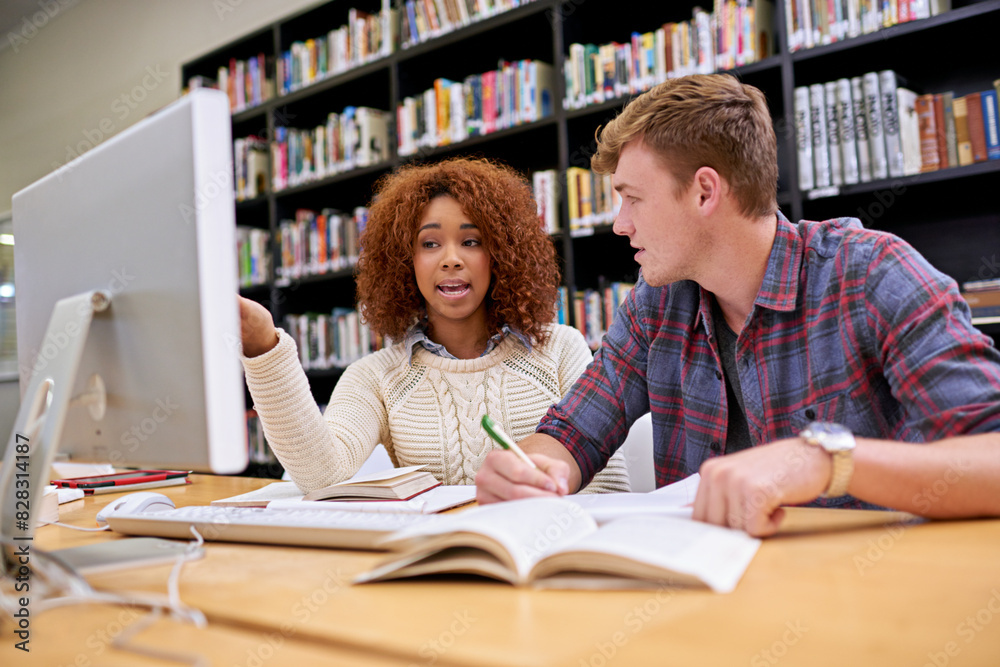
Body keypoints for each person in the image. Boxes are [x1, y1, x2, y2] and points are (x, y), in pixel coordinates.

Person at [475, 73, 1000, 535]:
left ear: (705, 192)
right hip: (710, 608)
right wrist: (538, 468)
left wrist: (826, 461)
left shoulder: (872, 275)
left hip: (870, 610)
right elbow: (574, 432)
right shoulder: (655, 304)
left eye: (632, 197)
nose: (620, 224)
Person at [238, 157, 630, 493]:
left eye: (472, 241)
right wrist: (262, 346)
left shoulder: (560, 349)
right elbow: (321, 476)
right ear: (403, 261)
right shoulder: (377, 377)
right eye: (429, 244)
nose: (451, 259)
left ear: (501, 255)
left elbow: (608, 488)